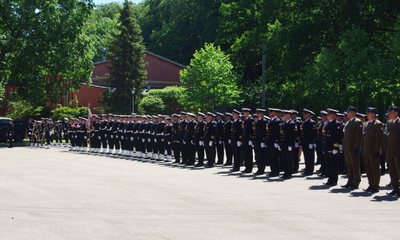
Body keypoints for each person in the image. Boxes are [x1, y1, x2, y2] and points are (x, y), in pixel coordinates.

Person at [362, 107, 383, 193]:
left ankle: (376, 185)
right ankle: (371, 183)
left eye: (369, 113)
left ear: (374, 114)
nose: (367, 115)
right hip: (366, 150)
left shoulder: (378, 124)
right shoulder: (367, 124)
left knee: (375, 168)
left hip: (373, 150)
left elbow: (379, 139)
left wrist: (376, 150)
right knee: (368, 168)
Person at [341, 106, 363, 189]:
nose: (347, 113)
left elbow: (359, 136)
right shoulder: (348, 122)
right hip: (347, 147)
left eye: (349, 112)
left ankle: (356, 181)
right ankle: (350, 180)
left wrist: (357, 147)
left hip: (353, 148)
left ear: (353, 113)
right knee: (349, 165)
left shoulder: (358, 122)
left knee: (355, 165)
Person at [322, 108, 342, 186]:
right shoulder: (327, 123)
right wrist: (324, 147)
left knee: (334, 164)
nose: (328, 115)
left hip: (332, 147)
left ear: (334, 115)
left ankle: (334, 179)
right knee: (329, 164)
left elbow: (337, 136)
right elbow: (324, 136)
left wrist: (335, 147)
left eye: (329, 114)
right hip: (327, 147)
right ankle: (330, 178)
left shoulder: (337, 124)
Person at [384, 106, 400, 196]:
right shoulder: (389, 123)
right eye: (389, 113)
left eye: (391, 112)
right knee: (392, 170)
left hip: (398, 151)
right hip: (390, 151)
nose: (389, 114)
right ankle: (395, 188)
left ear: (396, 113)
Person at [279, 110, 297, 179]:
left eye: (285, 115)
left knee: (289, 159)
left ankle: (289, 172)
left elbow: (293, 135)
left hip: (289, 144)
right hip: (284, 144)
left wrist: (291, 144)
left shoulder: (292, 124)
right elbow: (281, 135)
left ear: (288, 116)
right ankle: (285, 172)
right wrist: (280, 144)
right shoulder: (283, 124)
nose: (284, 116)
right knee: (284, 159)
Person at [300, 108, 317, 176]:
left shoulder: (312, 122)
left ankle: (310, 170)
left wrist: (312, 142)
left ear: (309, 115)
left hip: (309, 142)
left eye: (305, 114)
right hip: (305, 142)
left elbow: (313, 133)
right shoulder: (304, 123)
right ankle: (307, 169)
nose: (304, 115)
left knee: (310, 156)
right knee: (306, 156)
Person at [266, 108, 281, 177]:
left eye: (271, 112)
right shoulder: (270, 121)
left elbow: (278, 132)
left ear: (274, 113)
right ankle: (272, 170)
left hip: (274, 142)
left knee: (275, 157)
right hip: (270, 142)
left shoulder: (277, 121)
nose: (269, 114)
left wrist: (277, 141)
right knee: (271, 157)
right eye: (269, 113)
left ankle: (276, 171)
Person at [253, 108, 267, 175]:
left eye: (259, 113)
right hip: (257, 141)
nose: (257, 114)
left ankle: (262, 169)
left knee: (261, 156)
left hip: (261, 141)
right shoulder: (257, 121)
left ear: (262, 114)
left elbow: (264, 132)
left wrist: (263, 141)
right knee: (257, 155)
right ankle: (259, 168)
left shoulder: (264, 121)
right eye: (257, 113)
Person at [242, 108, 254, 173]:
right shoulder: (246, 119)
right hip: (245, 139)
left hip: (248, 139)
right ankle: (247, 167)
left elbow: (251, 130)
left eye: (245, 112)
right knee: (245, 154)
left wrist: (250, 139)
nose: (244, 114)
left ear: (248, 113)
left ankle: (249, 167)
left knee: (249, 154)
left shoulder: (251, 119)